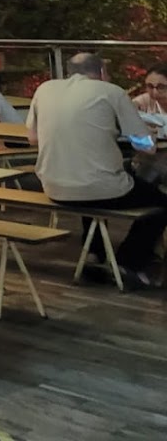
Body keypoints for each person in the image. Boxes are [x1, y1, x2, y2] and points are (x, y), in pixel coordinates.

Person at [27, 53, 167, 289]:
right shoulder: (111, 92)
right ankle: (129, 262)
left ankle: (95, 252)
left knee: (91, 182)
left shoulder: (44, 89)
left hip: (53, 186)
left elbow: (32, 138)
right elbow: (146, 146)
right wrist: (146, 134)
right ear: (101, 72)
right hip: (99, 188)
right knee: (161, 202)